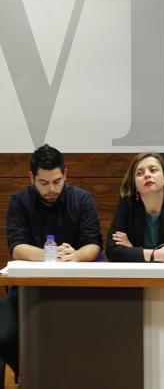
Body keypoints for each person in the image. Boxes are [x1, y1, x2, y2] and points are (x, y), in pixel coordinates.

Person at [0, 144, 103, 376]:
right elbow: (17, 247)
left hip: (76, 289)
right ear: (31, 178)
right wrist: (52, 256)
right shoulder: (19, 201)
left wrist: (76, 255)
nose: (51, 189)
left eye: (57, 181)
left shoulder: (82, 200)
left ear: (65, 174)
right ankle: (32, 374)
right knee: (4, 334)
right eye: (44, 183)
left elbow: (94, 244)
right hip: (28, 290)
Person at [106, 152, 164, 262]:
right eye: (139, 173)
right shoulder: (128, 203)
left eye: (153, 170)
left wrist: (132, 250)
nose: (147, 175)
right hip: (135, 275)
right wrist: (157, 254)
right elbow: (112, 251)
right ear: (135, 184)